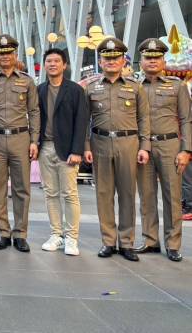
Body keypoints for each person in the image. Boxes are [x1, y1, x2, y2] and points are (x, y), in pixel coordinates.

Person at [84, 37, 150, 262]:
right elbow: (84, 120)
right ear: (100, 62)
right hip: (100, 143)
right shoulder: (91, 87)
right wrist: (85, 146)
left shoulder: (135, 87)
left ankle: (127, 242)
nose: (111, 62)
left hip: (128, 143)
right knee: (103, 194)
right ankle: (108, 241)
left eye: (115, 58)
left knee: (127, 193)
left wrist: (145, 147)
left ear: (123, 61)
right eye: (107, 58)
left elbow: (144, 119)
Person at [134, 38, 191, 262]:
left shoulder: (177, 86)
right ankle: (150, 240)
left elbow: (186, 120)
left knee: (172, 197)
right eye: (148, 58)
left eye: (157, 57)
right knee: (146, 196)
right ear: (141, 62)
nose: (152, 61)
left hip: (170, 146)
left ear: (163, 61)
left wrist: (186, 150)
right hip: (143, 147)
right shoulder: (133, 86)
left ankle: (173, 244)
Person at [0, 34, 40, 252]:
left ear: (15, 55)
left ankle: (20, 234)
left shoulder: (27, 81)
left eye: (9, 53)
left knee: (22, 189)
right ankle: (3, 233)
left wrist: (34, 140)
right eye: (1, 53)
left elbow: (34, 112)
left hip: (20, 138)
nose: (5, 56)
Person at [37, 48, 89, 256]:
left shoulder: (75, 90)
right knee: (50, 193)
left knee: (69, 194)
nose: (52, 64)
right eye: (49, 61)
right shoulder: (40, 90)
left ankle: (71, 238)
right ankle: (56, 234)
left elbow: (81, 122)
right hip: (45, 147)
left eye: (57, 61)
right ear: (45, 65)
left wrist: (77, 150)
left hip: (68, 150)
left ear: (64, 65)